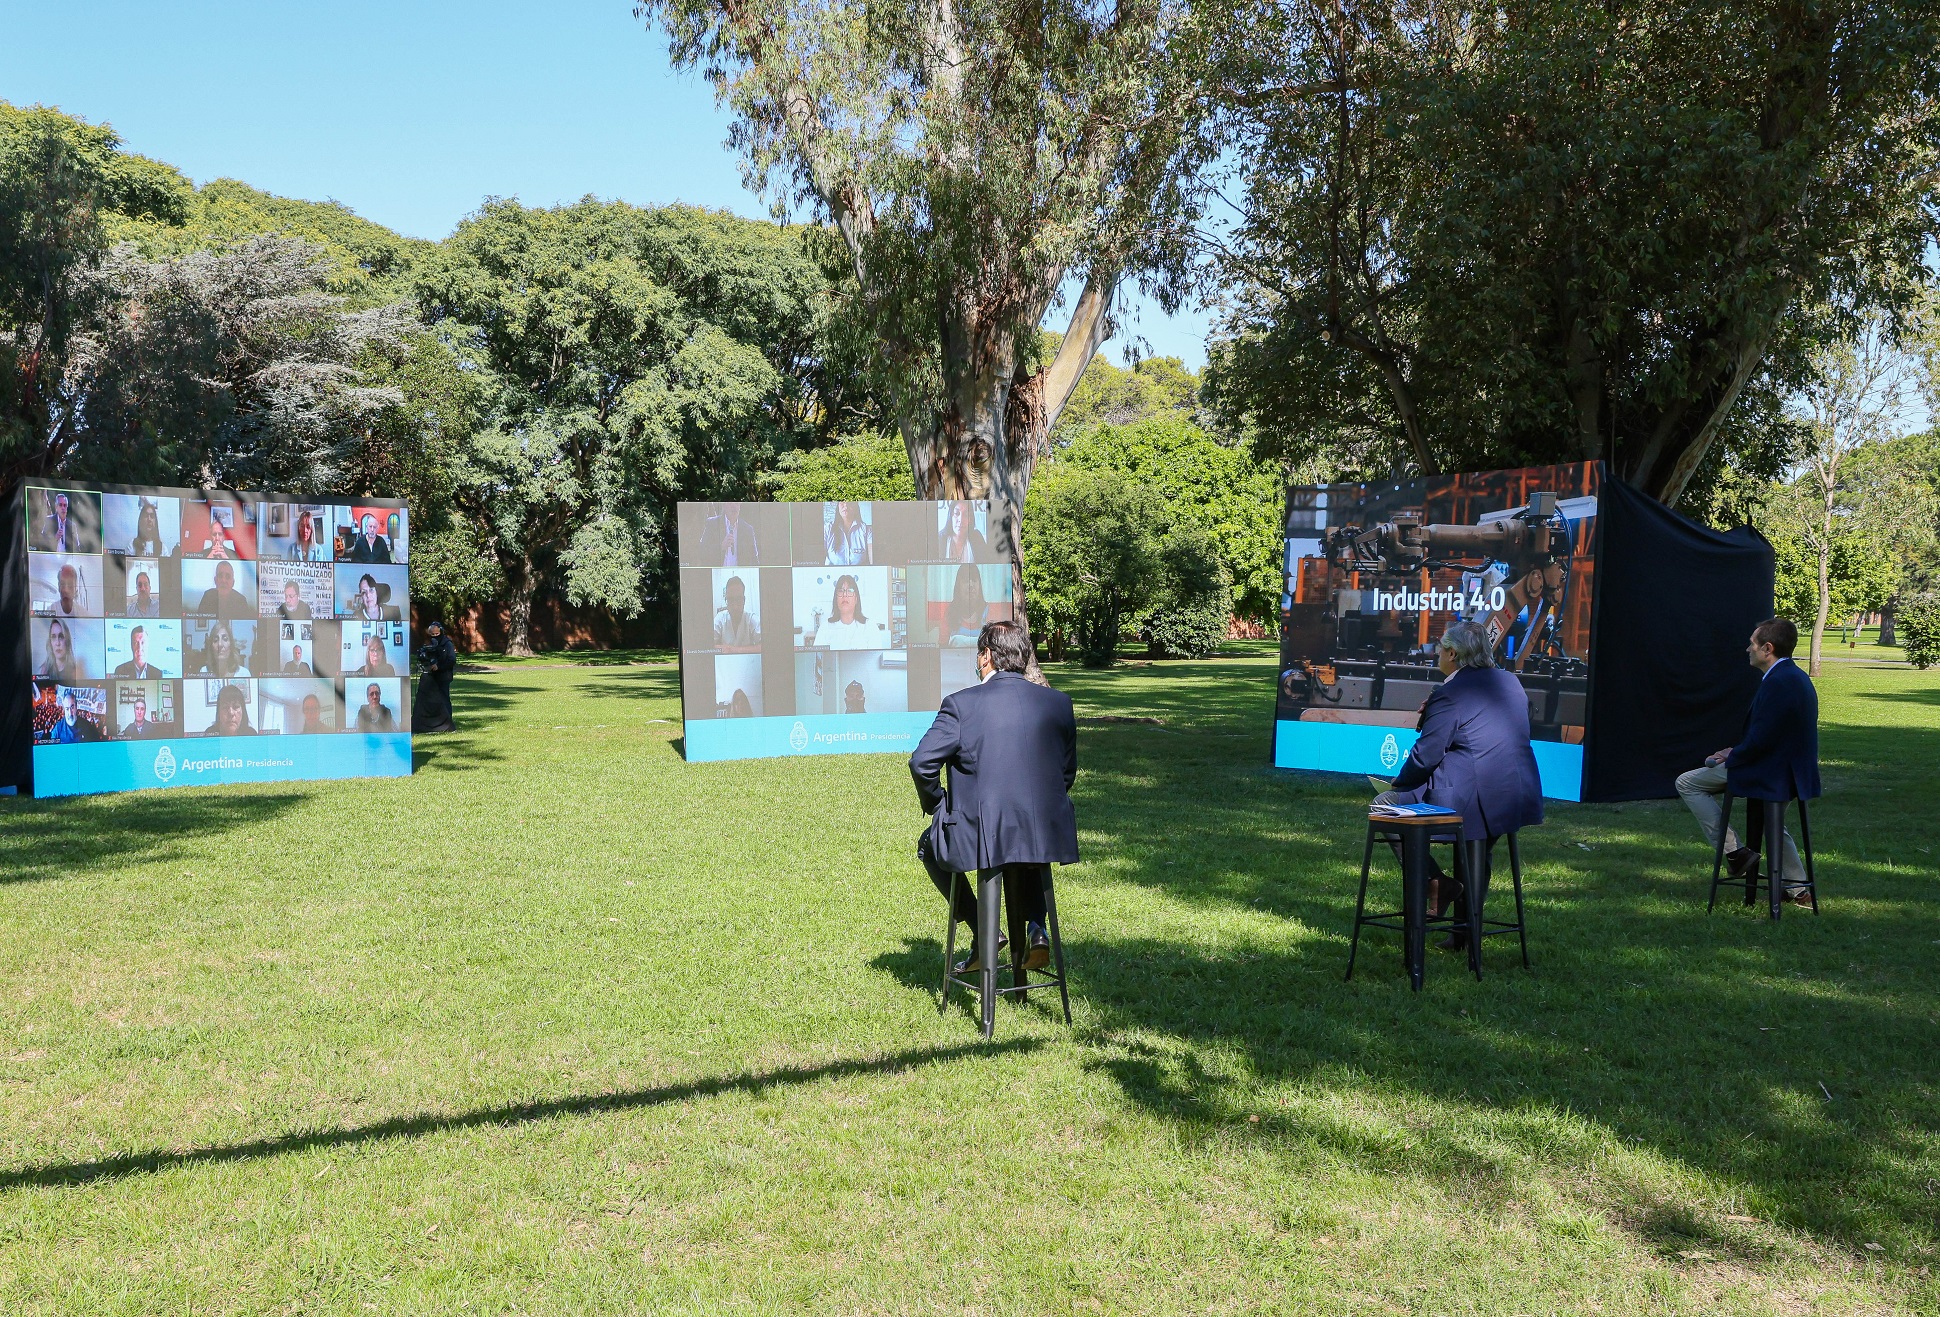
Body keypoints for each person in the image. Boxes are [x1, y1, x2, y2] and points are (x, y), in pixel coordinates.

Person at [910, 619, 1078, 975]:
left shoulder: (961, 705)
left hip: (981, 832)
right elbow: (1066, 774)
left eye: (978, 652)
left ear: (986, 656)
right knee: (1022, 840)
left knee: (929, 847)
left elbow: (922, 762)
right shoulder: (1059, 703)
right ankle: (1036, 929)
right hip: (1044, 829)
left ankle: (984, 932)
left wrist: (938, 805)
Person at [1372, 620, 1544, 952]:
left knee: (1385, 805)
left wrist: (1397, 783)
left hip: (1472, 796)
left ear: (1451, 653)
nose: (1437, 653)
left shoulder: (1449, 693)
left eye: (1439, 648)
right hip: (1516, 794)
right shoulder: (1510, 682)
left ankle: (1437, 883)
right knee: (1478, 845)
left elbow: (1425, 757)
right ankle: (1465, 935)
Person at [1675, 617, 1821, 907]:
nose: (1747, 649)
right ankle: (1797, 890)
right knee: (1773, 823)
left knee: (1687, 782)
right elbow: (1770, 734)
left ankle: (1735, 852)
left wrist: (1733, 755)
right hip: (1787, 770)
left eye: (1752, 644)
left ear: (1768, 648)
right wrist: (1735, 750)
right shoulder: (1794, 676)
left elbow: (1762, 740)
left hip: (1772, 772)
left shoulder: (1779, 682)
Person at [414, 621, 458, 733]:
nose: (434, 637)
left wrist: (439, 667)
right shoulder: (431, 643)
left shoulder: (447, 644)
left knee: (444, 698)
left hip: (444, 676)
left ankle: (448, 722)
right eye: (432, 634)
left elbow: (452, 660)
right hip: (432, 677)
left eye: (436, 634)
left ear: (441, 632)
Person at [817, 574, 876, 648]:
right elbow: (818, 657)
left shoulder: (869, 627)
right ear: (836, 599)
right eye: (841, 591)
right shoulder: (825, 628)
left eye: (850, 591)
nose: (845, 595)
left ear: (856, 599)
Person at [943, 565, 991, 647]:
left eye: (974, 580)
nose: (970, 585)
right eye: (966, 581)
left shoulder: (990, 611)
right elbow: (942, 647)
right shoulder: (949, 612)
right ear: (958, 586)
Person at [713, 575, 760, 650]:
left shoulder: (751, 618)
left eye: (738, 599)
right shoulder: (720, 618)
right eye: (730, 600)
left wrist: (733, 650)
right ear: (726, 600)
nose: (735, 607)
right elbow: (707, 645)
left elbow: (765, 646)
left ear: (744, 600)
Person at [39, 618, 83, 684]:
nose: (57, 643)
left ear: (67, 641)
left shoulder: (76, 671)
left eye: (61, 637)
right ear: (50, 642)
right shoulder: (45, 669)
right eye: (53, 637)